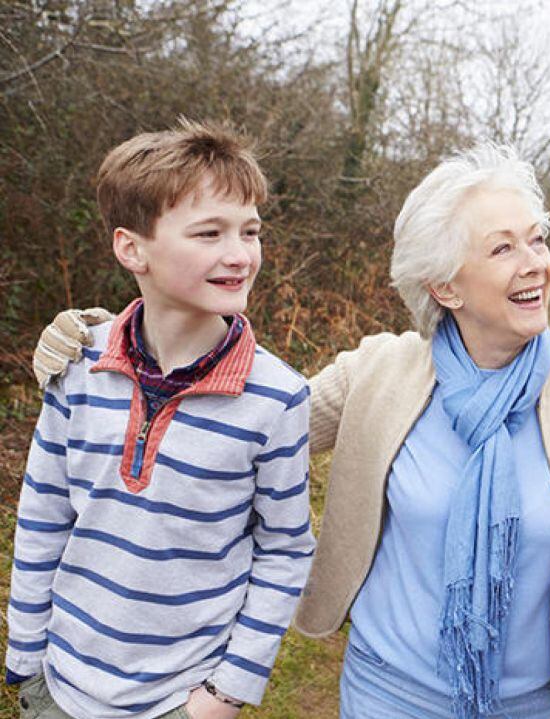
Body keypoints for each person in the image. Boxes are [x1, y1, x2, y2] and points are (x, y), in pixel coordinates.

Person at [29, 143, 550, 718]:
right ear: (444, 286)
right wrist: (106, 342)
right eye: (503, 247)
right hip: (384, 693)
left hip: (534, 704)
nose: (536, 262)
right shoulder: (378, 374)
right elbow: (225, 415)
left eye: (536, 238)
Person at [4, 121, 316, 719]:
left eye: (250, 231)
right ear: (132, 248)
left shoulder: (277, 398)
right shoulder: (76, 363)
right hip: (58, 685)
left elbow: (284, 549)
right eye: (209, 233)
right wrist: (26, 656)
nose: (240, 254)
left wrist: (227, 694)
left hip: (180, 700)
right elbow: (44, 512)